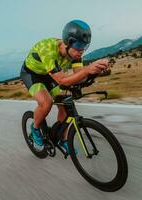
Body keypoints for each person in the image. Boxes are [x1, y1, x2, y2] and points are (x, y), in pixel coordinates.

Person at [20, 19, 109, 154]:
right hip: (32, 74)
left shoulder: (76, 53)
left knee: (66, 105)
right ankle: (35, 127)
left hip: (49, 75)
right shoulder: (48, 50)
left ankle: (63, 138)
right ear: (68, 42)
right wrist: (87, 69)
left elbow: (79, 75)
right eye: (79, 46)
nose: (81, 51)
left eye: (84, 46)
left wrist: (94, 72)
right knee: (46, 102)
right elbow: (63, 81)